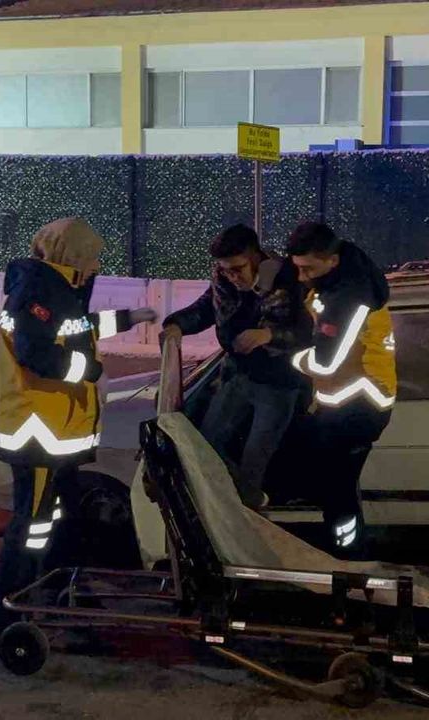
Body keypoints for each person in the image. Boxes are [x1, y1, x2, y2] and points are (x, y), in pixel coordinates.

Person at [0, 217, 156, 645]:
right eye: (93, 257)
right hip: (40, 432)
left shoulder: (60, 288)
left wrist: (129, 319)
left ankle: (55, 592)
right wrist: (90, 371)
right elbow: (38, 354)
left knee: (59, 521)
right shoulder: (38, 292)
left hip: (57, 431)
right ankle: (5, 613)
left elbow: (78, 329)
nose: (97, 265)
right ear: (73, 255)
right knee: (32, 527)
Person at [161, 224, 310, 509]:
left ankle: (249, 518)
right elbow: (207, 308)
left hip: (279, 385)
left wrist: (269, 335)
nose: (232, 276)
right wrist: (176, 324)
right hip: (238, 375)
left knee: (255, 459)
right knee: (206, 444)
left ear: (255, 256)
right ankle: (239, 506)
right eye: (225, 270)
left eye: (238, 269)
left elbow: (305, 332)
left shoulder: (288, 278)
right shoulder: (224, 279)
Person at [286, 221, 396, 558]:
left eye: (308, 269)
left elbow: (324, 363)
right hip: (342, 400)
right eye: (297, 268)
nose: (301, 277)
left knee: (339, 487)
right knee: (332, 480)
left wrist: (292, 357)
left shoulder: (350, 298)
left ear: (332, 261)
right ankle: (343, 546)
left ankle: (347, 555)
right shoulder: (338, 277)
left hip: (361, 403)